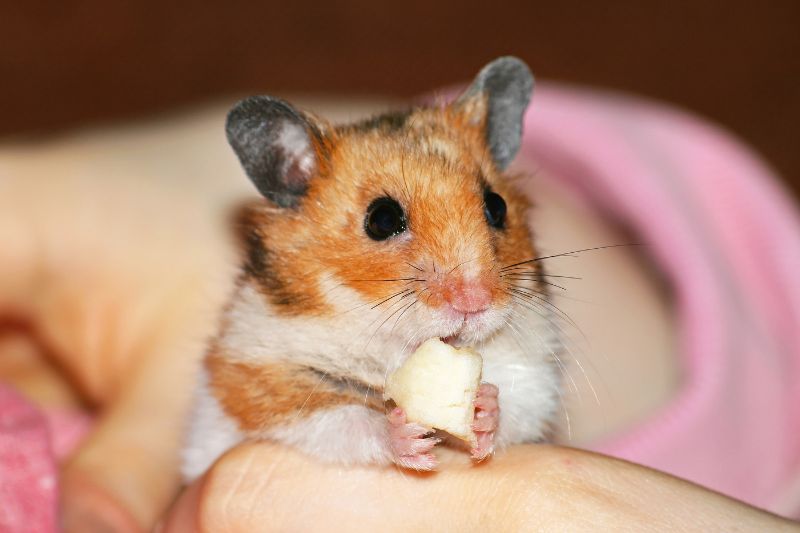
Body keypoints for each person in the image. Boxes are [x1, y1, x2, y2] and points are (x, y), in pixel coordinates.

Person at [1, 85, 798, 532]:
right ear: (288, 183)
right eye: (387, 221)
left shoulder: (514, 296)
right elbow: (260, 411)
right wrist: (370, 429)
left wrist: (496, 415)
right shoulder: (278, 326)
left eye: (489, 211)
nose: (473, 284)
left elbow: (533, 396)